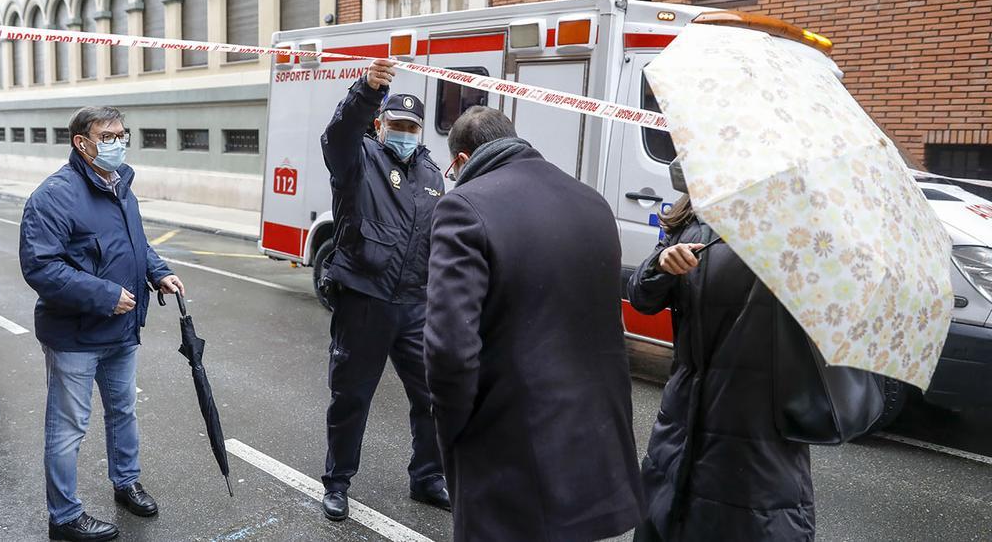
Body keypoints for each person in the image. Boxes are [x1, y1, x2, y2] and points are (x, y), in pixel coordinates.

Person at [425, 106, 644, 541]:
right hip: (595, 449)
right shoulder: (592, 202)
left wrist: (453, 433)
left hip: (512, 459)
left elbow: (450, 349)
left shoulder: (464, 207)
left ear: (463, 161)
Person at [626, 160, 816, 541]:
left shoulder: (799, 229)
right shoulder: (694, 214)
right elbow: (641, 298)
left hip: (756, 434)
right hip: (680, 422)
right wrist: (662, 264)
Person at [20, 106, 184, 542]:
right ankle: (65, 516)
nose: (119, 141)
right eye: (108, 135)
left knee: (123, 412)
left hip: (123, 330)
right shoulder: (54, 195)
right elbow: (41, 267)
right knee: (68, 426)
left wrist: (158, 271)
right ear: (82, 142)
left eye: (122, 133)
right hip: (75, 336)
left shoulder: (120, 183)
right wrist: (105, 296)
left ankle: (126, 481)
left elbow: (135, 242)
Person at [318, 59, 449, 521]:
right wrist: (366, 91)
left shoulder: (433, 177)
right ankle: (337, 482)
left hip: (416, 303)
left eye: (411, 126)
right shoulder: (359, 158)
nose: (404, 132)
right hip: (365, 299)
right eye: (396, 124)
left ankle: (428, 477)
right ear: (380, 124)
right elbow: (337, 135)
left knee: (434, 396)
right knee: (352, 396)